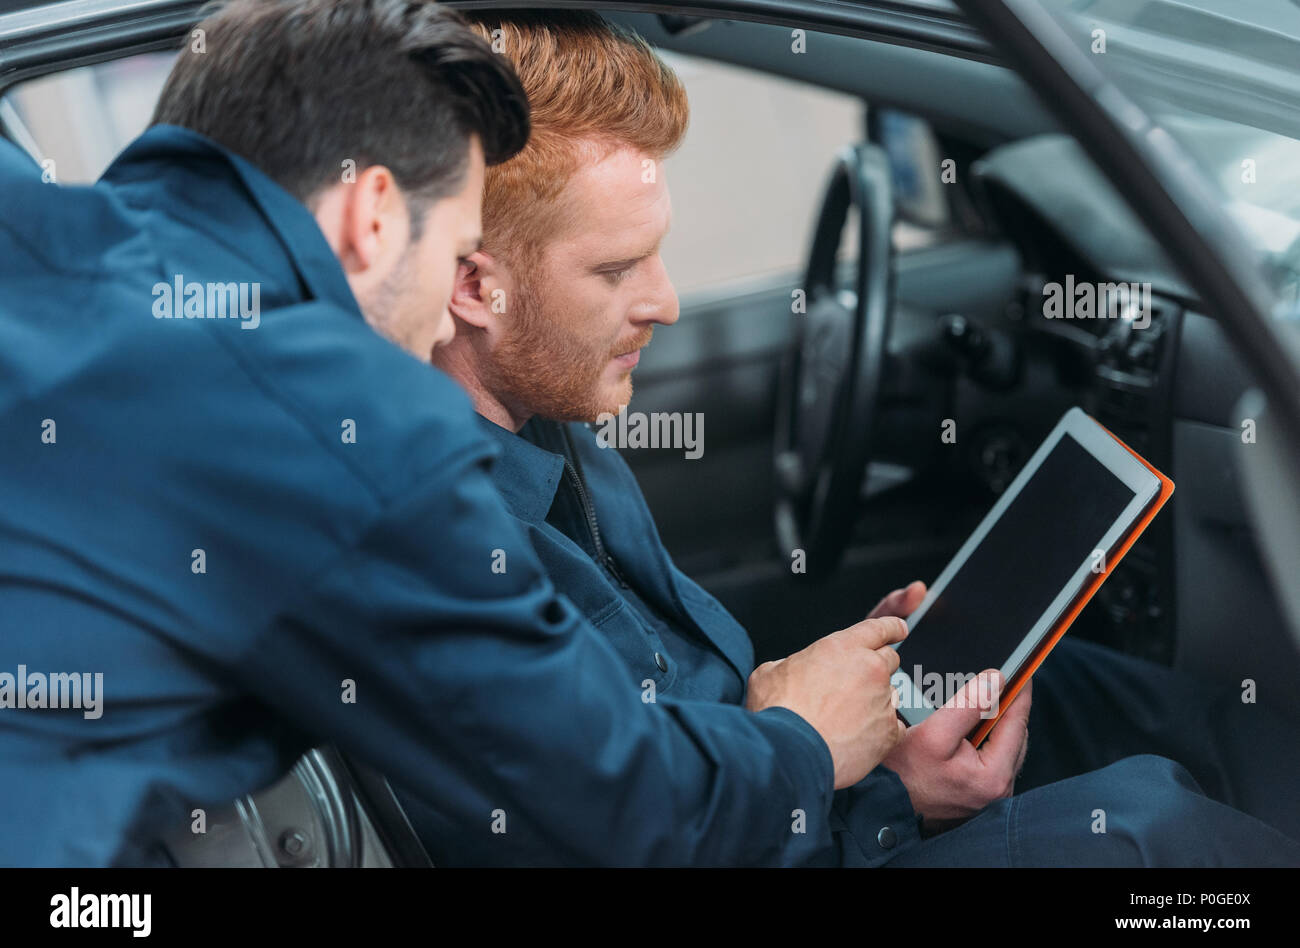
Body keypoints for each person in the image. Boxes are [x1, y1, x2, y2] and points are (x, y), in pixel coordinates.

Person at [0, 0, 911, 866]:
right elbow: (629, 804)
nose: (445, 322)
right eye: (453, 253)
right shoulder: (346, 431)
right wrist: (808, 742)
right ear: (372, 216)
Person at [418, 8, 1300, 865]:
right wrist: (883, 794)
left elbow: (672, 716)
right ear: (472, 287)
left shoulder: (554, 426)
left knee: (1060, 683)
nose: (666, 303)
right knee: (1149, 829)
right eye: (614, 270)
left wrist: (837, 697)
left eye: (655, 254)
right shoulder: (450, 561)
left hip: (773, 790)